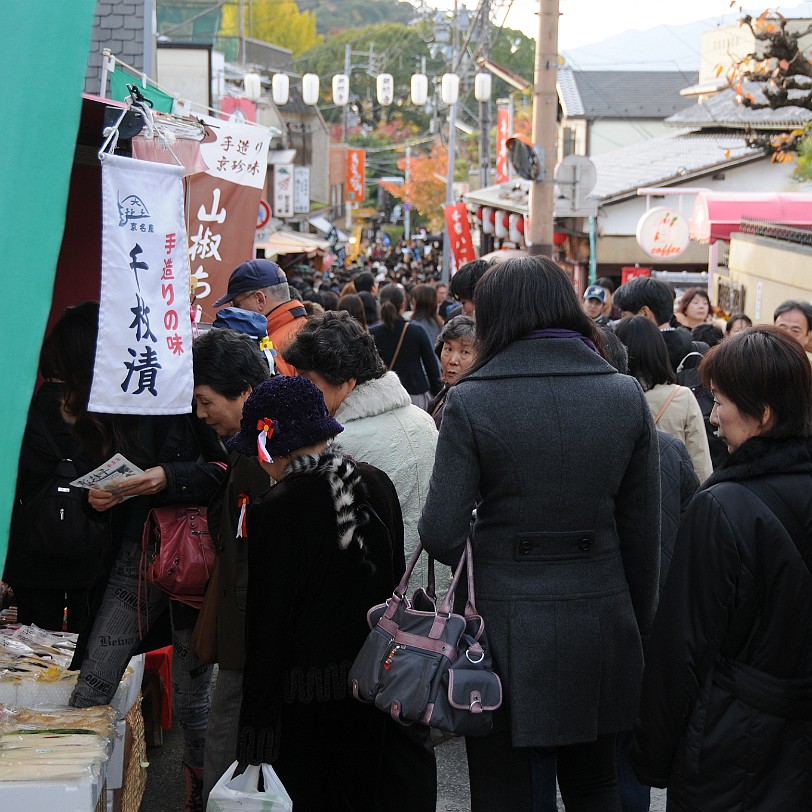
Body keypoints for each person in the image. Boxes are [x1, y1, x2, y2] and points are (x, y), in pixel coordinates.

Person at [418, 256, 660, 812]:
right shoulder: (623, 393)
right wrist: (637, 629)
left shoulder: (473, 399)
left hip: (502, 624)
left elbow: (439, 531)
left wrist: (493, 552)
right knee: (595, 782)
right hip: (601, 613)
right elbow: (643, 535)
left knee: (504, 787)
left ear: (496, 317)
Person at [231, 376, 434, 811]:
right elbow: (392, 584)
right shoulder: (376, 483)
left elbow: (268, 625)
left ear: (274, 446)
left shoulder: (278, 508)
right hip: (375, 685)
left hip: (305, 698)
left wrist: (256, 727)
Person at [632, 327, 812, 810]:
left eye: (720, 401)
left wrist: (652, 757)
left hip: (736, 744)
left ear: (764, 413)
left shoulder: (724, 507)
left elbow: (682, 647)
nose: (713, 417)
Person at [61, 303, 227, 810]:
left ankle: (197, 798)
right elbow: (95, 486)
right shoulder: (100, 409)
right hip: (133, 554)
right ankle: (71, 789)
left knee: (196, 695)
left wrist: (166, 478)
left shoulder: (183, 385)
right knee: (93, 679)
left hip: (192, 555)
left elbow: (227, 466)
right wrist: (96, 501)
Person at [283, 311, 439, 579]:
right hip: (435, 595)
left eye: (308, 381)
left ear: (347, 382)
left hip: (384, 602)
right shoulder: (422, 418)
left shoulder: (341, 443)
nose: (301, 390)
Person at [191, 328, 272, 805]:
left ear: (243, 391)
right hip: (245, 620)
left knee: (229, 726)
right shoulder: (250, 443)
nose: (201, 414)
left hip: (249, 625)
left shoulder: (258, 453)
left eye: (206, 401)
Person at [3, 305, 106, 632]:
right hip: (90, 550)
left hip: (30, 550)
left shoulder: (21, 408)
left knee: (33, 652)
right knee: (86, 650)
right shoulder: (104, 416)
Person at [615, 316, 712, 483]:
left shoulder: (611, 398)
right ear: (659, 350)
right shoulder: (682, 397)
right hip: (671, 496)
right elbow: (701, 466)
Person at [213, 259, 306, 375]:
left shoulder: (271, 352)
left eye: (237, 305)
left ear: (260, 300)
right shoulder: (305, 328)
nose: (235, 311)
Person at [370, 283, 442, 410]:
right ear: (403, 304)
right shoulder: (416, 331)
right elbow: (432, 367)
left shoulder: (372, 333)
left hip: (384, 397)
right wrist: (438, 395)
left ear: (380, 304)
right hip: (415, 394)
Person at [613, 277, 697, 373]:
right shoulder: (691, 347)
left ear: (645, 314)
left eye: (623, 315)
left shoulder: (637, 355)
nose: (621, 321)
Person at [428, 314, 476, 428]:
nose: (453, 361)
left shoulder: (470, 403)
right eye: (448, 349)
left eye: (464, 352)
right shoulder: (445, 392)